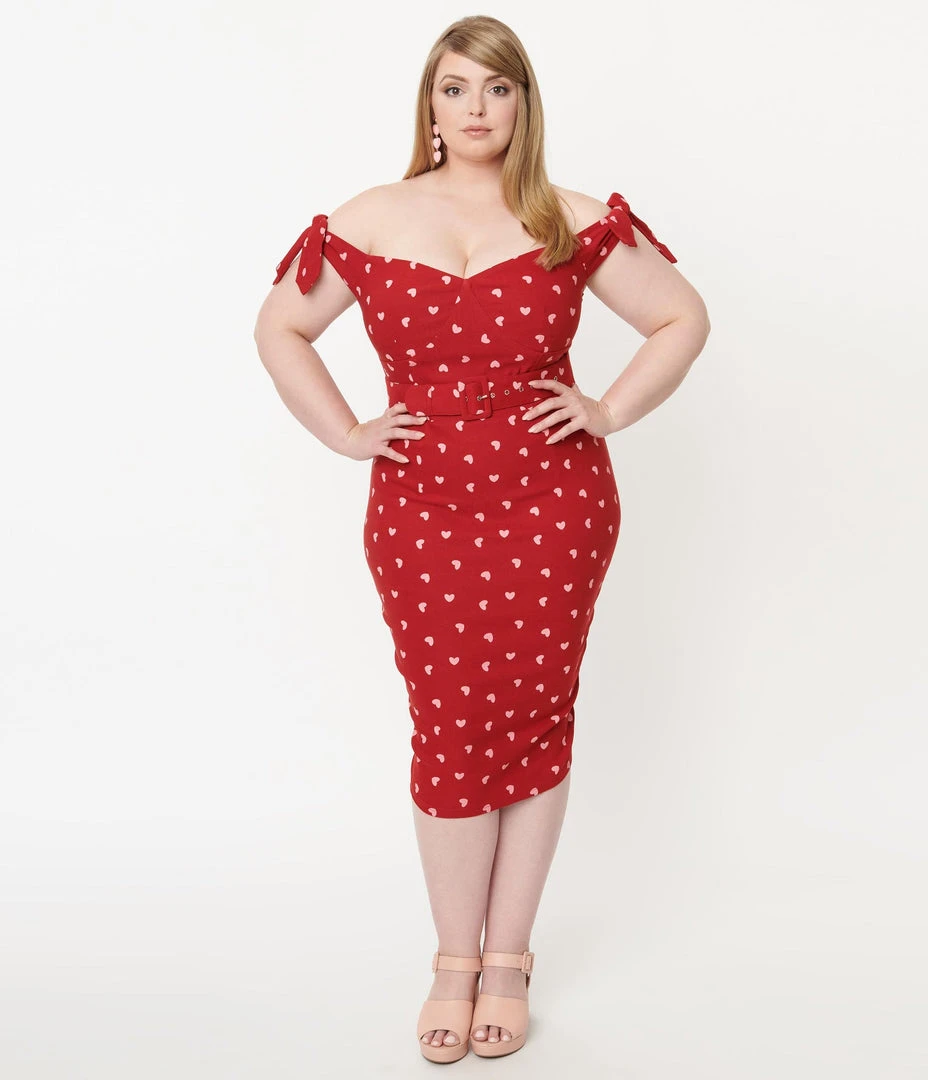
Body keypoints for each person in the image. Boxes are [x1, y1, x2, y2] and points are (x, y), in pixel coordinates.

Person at [254, 13, 710, 1064]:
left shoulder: (567, 217)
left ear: (523, 104)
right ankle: (452, 960)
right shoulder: (371, 216)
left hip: (553, 507)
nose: (475, 108)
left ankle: (507, 959)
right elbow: (279, 327)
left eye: (497, 89)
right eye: (456, 88)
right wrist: (347, 432)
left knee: (538, 717)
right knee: (449, 724)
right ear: (429, 102)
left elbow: (681, 315)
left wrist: (607, 409)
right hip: (420, 509)